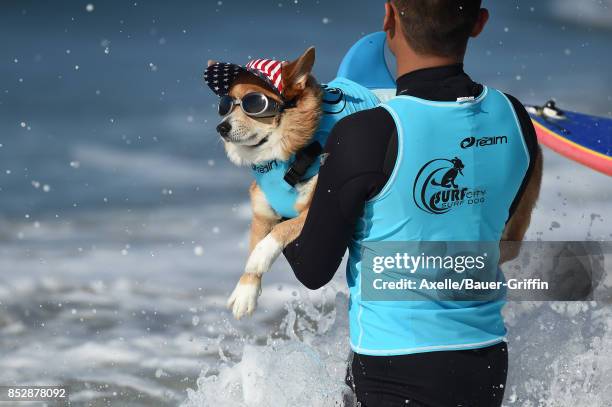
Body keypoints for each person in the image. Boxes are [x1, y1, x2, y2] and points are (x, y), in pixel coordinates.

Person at [283, 1, 543, 406]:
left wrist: (275, 187)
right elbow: (506, 239)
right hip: (486, 358)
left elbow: (313, 268)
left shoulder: (367, 133)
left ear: (388, 16)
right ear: (479, 22)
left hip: (394, 366)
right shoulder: (514, 117)